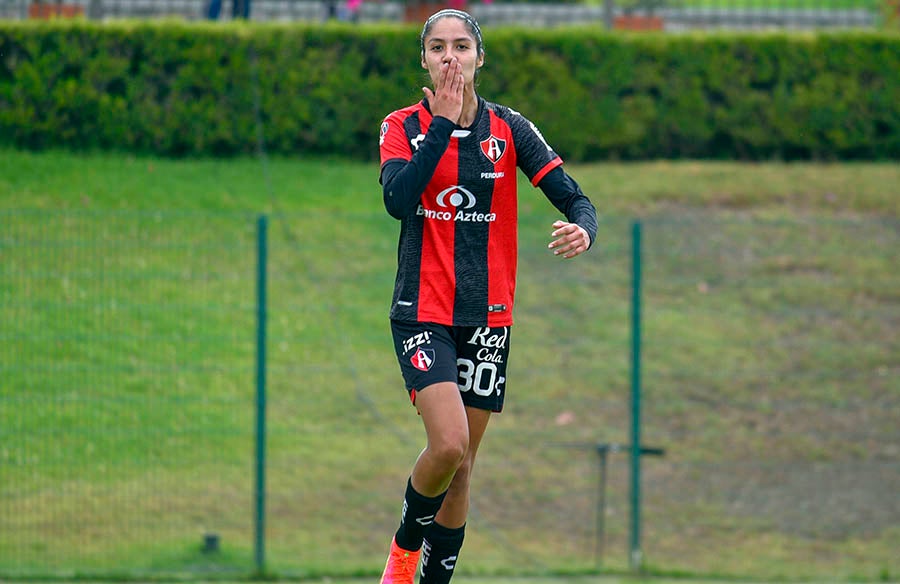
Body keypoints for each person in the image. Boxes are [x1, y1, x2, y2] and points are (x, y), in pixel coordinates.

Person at [377, 9, 597, 584]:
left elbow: (576, 199)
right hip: (422, 310)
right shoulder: (402, 125)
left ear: (480, 57)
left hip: (488, 316)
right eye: (439, 48)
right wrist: (443, 126)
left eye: (462, 47)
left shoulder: (510, 129)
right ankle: (402, 554)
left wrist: (584, 228)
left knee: (466, 467)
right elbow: (399, 200)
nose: (451, 57)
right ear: (423, 59)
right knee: (447, 445)